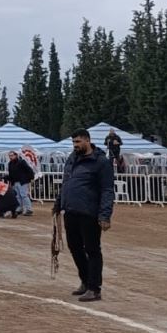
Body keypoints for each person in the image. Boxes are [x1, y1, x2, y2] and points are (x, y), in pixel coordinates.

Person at [54, 128, 115, 302]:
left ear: (87, 140)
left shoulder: (101, 162)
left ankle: (94, 288)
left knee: (92, 250)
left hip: (89, 212)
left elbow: (107, 190)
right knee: (74, 248)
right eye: (73, 142)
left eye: (78, 142)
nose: (75, 145)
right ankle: (85, 280)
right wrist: (59, 204)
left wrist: (105, 215)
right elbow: (67, 183)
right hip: (71, 211)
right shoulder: (72, 159)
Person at [6, 150, 35, 216]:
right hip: (15, 182)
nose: (11, 157)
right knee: (17, 196)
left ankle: (29, 209)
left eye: (12, 155)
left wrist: (31, 178)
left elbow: (29, 170)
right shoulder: (10, 164)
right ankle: (19, 208)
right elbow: (11, 174)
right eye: (10, 156)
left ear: (16, 155)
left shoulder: (22, 162)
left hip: (22, 182)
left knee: (24, 195)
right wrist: (7, 178)